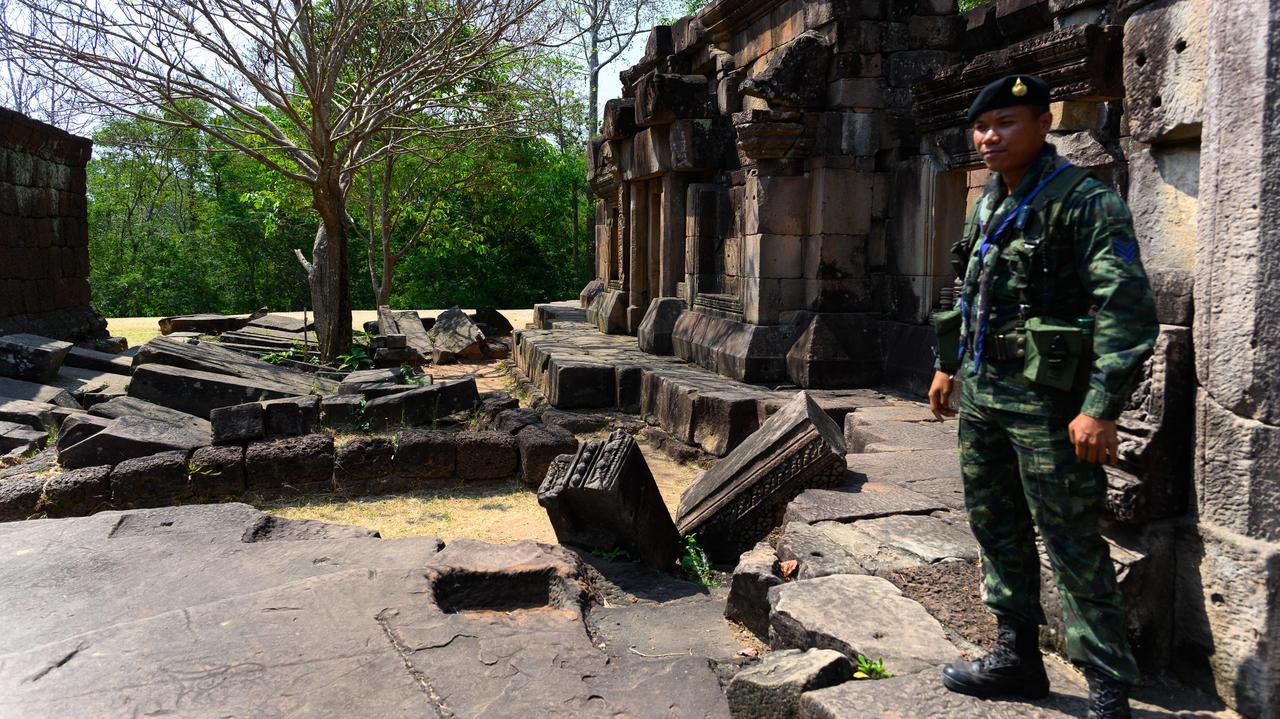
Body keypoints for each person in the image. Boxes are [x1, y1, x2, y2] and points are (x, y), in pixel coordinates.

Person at [927, 74, 1158, 719]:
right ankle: (1016, 657)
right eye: (982, 126)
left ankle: (1107, 688)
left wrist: (1101, 406)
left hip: (1049, 402)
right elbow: (969, 291)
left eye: (1005, 122)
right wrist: (948, 365)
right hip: (984, 393)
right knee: (995, 523)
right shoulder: (988, 202)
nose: (989, 137)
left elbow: (1126, 310)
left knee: (1070, 537)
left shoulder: (1085, 202)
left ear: (1043, 123)